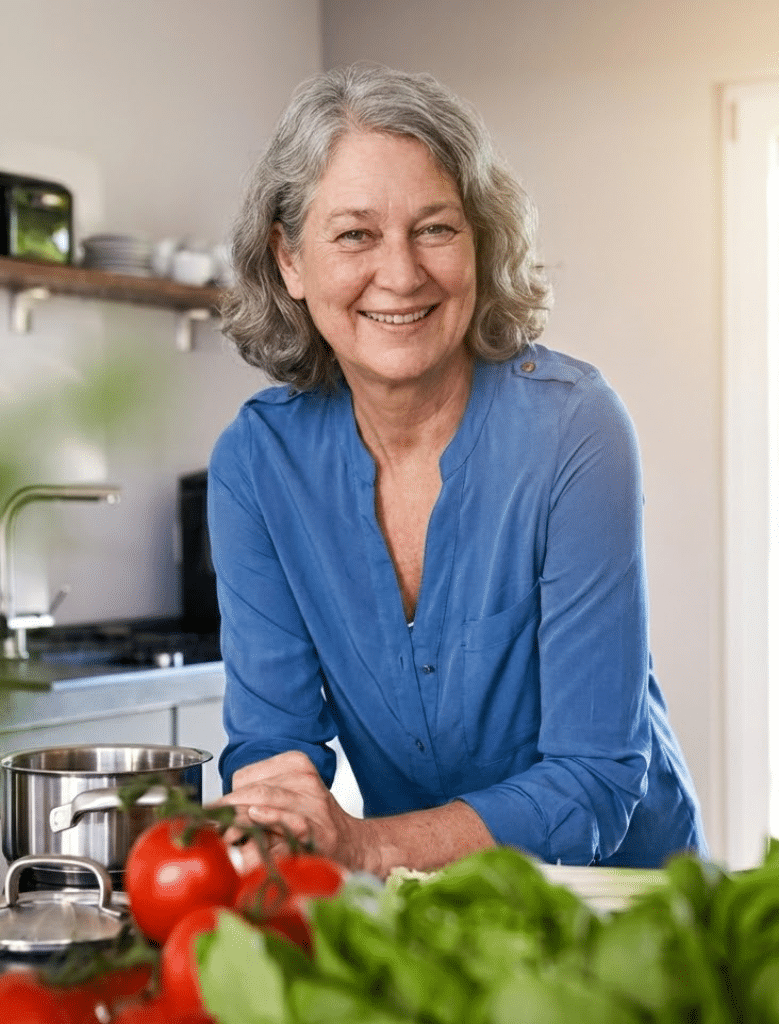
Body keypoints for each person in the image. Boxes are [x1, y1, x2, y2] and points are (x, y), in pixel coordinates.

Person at [208, 63, 707, 877]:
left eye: (435, 228)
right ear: (290, 260)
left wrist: (365, 844)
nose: (400, 275)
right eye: (354, 234)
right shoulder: (257, 465)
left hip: (621, 901)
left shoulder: (574, 429)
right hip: (429, 911)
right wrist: (277, 820)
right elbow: (273, 745)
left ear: (481, 242)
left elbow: (594, 782)